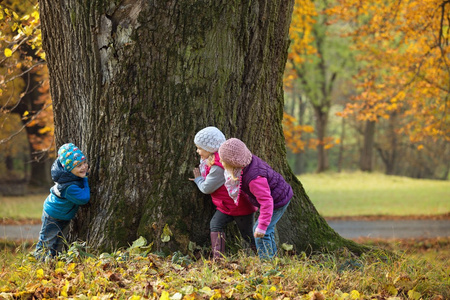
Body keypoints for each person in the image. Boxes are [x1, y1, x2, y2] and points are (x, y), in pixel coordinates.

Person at [218, 138, 293, 260]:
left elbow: (267, 202)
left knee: (261, 233)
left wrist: (262, 225)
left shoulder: (254, 179)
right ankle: (273, 260)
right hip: (274, 198)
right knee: (267, 231)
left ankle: (267, 263)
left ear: (233, 162)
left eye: (223, 160)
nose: (220, 160)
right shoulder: (246, 163)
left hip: (277, 201)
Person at [190, 127, 257, 259]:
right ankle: (218, 259)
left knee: (247, 234)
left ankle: (265, 256)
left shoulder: (218, 167)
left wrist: (198, 180)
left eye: (200, 148)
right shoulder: (213, 160)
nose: (197, 151)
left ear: (210, 148)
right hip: (226, 205)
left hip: (240, 206)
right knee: (215, 225)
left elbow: (206, 188)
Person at [34, 143, 90, 260]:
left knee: (59, 243)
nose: (84, 167)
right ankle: (37, 263)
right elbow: (84, 198)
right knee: (46, 242)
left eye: (84, 162)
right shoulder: (69, 186)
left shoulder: (71, 177)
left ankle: (53, 264)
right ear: (69, 170)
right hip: (53, 215)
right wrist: (85, 180)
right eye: (79, 165)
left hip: (63, 216)